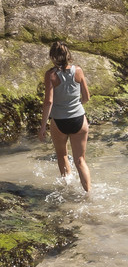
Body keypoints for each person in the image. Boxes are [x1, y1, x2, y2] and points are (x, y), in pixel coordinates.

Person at [40, 39, 92, 196]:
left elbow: (49, 102)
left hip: (59, 121)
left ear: (52, 57)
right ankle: (88, 195)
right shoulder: (78, 71)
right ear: (68, 55)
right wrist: (76, 105)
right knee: (80, 160)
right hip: (79, 119)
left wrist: (43, 127)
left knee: (62, 155)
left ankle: (68, 190)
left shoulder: (51, 75)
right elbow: (87, 98)